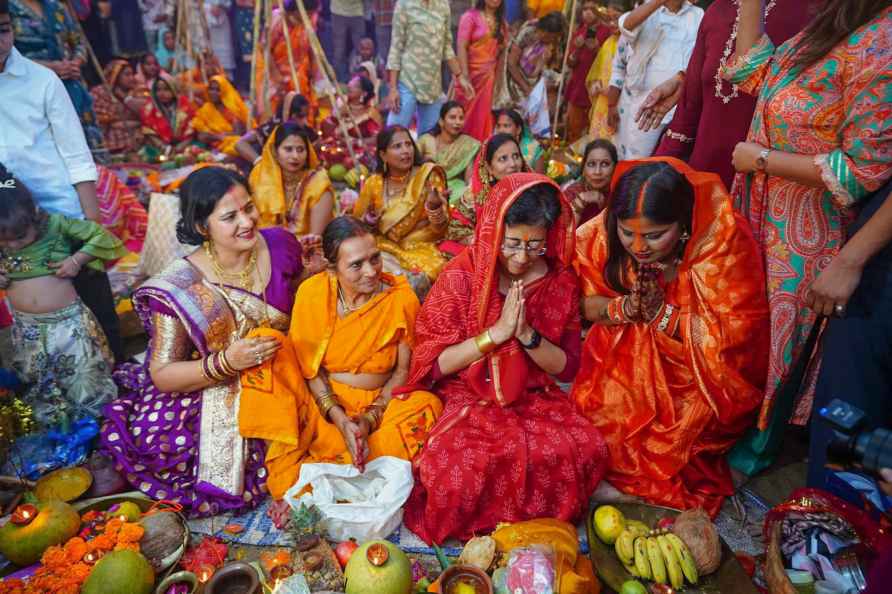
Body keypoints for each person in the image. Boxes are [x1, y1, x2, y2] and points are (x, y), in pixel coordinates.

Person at [725, 0, 892, 476]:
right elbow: (754, 72)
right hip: (761, 210)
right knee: (746, 325)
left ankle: (759, 449)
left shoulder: (880, 45)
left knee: (781, 341)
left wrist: (761, 160)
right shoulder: (828, 30)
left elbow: (863, 169)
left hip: (808, 227)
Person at [402, 174, 609, 544]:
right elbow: (434, 365)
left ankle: (525, 532)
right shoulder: (462, 276)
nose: (520, 257)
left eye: (535, 246)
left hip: (534, 399)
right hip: (468, 395)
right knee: (455, 476)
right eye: (511, 243)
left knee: (585, 448)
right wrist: (495, 335)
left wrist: (526, 335)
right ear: (492, 230)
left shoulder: (558, 281)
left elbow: (567, 367)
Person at [100, 167, 305, 517]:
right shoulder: (179, 285)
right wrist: (227, 362)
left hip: (286, 370)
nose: (247, 221)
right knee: (166, 451)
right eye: (229, 217)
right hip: (212, 383)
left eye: (249, 207)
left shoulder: (281, 244)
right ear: (201, 227)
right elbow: (163, 374)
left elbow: (300, 301)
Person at [571, 159, 769, 515]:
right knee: (599, 430)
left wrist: (662, 315)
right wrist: (625, 309)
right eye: (628, 233)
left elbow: (734, 340)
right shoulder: (605, 229)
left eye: (653, 235)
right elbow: (580, 302)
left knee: (673, 451)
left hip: (698, 374)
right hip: (624, 355)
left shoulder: (722, 242)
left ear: (682, 224)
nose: (638, 247)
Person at [260, 216, 444, 500]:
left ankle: (326, 481)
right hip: (323, 402)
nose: (371, 272)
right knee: (265, 344)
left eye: (375, 258)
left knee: (427, 406)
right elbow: (310, 370)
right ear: (332, 269)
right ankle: (347, 477)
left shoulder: (401, 299)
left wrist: (369, 419)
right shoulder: (313, 293)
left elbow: (402, 372)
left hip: (380, 404)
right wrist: (339, 417)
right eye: (356, 265)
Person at [0, 8, 125, 363]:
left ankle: (119, 395)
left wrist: (90, 224)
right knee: (39, 330)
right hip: (8, 227)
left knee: (100, 315)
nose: (0, 41)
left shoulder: (41, 81)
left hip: (62, 212)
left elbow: (76, 154)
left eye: (4, 30)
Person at [0, 166, 123, 432]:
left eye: (19, 237)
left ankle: (101, 436)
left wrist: (77, 260)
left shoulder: (56, 226)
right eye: (4, 241)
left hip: (69, 327)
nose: (13, 246)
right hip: (27, 329)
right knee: (40, 387)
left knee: (85, 382)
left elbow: (103, 236)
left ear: (33, 215)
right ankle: (61, 438)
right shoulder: (6, 235)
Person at [648, 0, 817, 190]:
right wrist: (655, 176)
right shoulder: (718, 10)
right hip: (703, 180)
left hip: (767, 184)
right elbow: (688, 113)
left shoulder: (816, 12)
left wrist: (763, 161)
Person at [807, 180, 892, 490]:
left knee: (850, 414)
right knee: (849, 418)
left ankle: (836, 516)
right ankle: (836, 515)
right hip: (877, 255)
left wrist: (850, 260)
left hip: (878, 270)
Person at [352, 126, 450, 292]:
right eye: (397, 146)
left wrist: (435, 208)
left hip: (421, 248)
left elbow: (440, 229)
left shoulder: (427, 177)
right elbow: (356, 226)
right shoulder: (374, 183)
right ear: (383, 155)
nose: (406, 151)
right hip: (383, 248)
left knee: (412, 282)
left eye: (408, 144)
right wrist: (369, 221)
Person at [609, 0, 703, 160]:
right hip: (645, 105)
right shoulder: (647, 11)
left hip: (680, 105)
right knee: (636, 161)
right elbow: (626, 26)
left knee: (669, 164)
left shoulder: (698, 15)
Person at [9, 0, 102, 149]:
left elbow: (79, 42)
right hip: (28, 90)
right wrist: (49, 68)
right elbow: (7, 56)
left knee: (84, 147)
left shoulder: (56, 7)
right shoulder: (8, 9)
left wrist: (75, 63)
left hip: (69, 85)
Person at [385, 0, 474, 135]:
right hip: (408, 81)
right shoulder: (404, 4)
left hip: (433, 86)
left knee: (429, 142)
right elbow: (396, 48)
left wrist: (459, 76)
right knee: (394, 135)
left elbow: (446, 47)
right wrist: (393, 88)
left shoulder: (443, 5)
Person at [441, 133, 525, 255]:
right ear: (489, 167)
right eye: (503, 159)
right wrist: (485, 244)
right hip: (487, 251)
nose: (513, 164)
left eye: (516, 156)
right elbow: (456, 229)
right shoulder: (475, 195)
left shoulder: (530, 190)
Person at [250, 123, 335, 235]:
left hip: (307, 248)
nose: (295, 156)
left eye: (300, 150)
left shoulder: (318, 183)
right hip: (263, 245)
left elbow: (315, 238)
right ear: (275, 152)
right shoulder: (259, 176)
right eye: (288, 149)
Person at [454, 0, 508, 142]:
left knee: (482, 119)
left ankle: (480, 157)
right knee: (462, 118)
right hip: (470, 78)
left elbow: (501, 53)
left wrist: (499, 83)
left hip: (488, 79)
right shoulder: (470, 17)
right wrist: (464, 77)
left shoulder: (501, 23)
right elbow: (461, 47)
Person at [255, 0, 318, 120]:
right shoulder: (277, 19)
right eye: (307, 14)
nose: (309, 17)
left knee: (300, 102)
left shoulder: (310, 19)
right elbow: (266, 49)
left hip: (298, 69)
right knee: (274, 105)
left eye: (311, 14)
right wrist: (277, 77)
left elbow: (312, 47)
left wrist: (313, 70)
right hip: (272, 68)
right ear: (295, 11)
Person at [565, 0, 612, 143]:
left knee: (594, 128)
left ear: (599, 10)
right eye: (585, 9)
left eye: (592, 9)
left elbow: (610, 62)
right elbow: (570, 63)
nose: (587, 12)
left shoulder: (608, 32)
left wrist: (597, 49)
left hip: (597, 88)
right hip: (578, 87)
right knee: (573, 128)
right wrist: (577, 49)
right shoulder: (579, 30)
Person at [417, 101, 480, 202]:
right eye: (452, 117)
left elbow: (469, 179)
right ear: (441, 121)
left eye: (461, 118)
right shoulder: (426, 141)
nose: (458, 122)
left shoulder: (468, 144)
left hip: (455, 189)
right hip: (428, 186)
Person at [318, 75, 382, 170]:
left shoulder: (370, 113)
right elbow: (328, 128)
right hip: (342, 148)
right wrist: (338, 115)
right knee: (328, 151)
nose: (349, 86)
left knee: (363, 157)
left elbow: (377, 139)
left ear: (364, 93)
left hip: (361, 150)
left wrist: (356, 142)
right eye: (350, 83)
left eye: (355, 86)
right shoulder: (343, 106)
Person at [505, 11, 564, 113]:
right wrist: (526, 89)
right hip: (513, 82)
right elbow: (511, 63)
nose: (554, 41)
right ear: (545, 33)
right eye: (553, 38)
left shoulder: (548, 44)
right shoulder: (528, 32)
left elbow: (538, 71)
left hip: (531, 82)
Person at [236, 91, 311, 164]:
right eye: (300, 116)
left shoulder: (306, 129)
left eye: (306, 116)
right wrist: (259, 161)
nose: (305, 122)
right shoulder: (272, 127)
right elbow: (240, 143)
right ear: (287, 114)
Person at [91, 59, 147, 156]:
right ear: (115, 75)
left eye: (132, 74)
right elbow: (105, 122)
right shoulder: (100, 92)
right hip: (110, 140)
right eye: (127, 74)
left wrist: (126, 99)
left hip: (138, 138)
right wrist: (136, 122)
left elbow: (146, 114)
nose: (131, 78)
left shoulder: (139, 89)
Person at [584, 3, 622, 142]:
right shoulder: (609, 42)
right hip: (601, 105)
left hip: (619, 108)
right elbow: (598, 73)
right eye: (609, 19)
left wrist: (608, 91)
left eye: (616, 18)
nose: (611, 24)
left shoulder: (630, 44)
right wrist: (594, 86)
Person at [561, 138, 617, 227]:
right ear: (584, 168)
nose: (597, 172)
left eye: (605, 164)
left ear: (615, 167)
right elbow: (564, 236)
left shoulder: (620, 194)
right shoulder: (572, 193)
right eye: (591, 164)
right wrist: (580, 202)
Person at [192, 74, 249, 157]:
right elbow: (202, 136)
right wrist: (219, 137)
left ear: (224, 91)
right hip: (213, 146)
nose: (213, 92)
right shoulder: (205, 109)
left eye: (217, 90)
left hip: (231, 144)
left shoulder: (232, 108)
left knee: (236, 144)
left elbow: (238, 133)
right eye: (211, 89)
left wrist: (216, 136)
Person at [140, 75, 196, 154]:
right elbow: (148, 131)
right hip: (160, 147)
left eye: (166, 89)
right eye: (158, 90)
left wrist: (180, 147)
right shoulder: (149, 108)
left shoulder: (185, 105)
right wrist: (163, 147)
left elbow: (192, 130)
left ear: (174, 90)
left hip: (183, 146)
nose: (162, 93)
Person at [492, 108, 545, 173]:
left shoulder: (533, 147)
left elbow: (540, 178)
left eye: (506, 126)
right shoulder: (493, 146)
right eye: (498, 126)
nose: (501, 130)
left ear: (518, 130)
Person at [331, 0, 364, 82]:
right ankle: (338, 81)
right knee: (339, 51)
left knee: (361, 49)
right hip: (340, 12)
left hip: (354, 12)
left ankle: (361, 80)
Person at [204, 0, 235, 80]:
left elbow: (229, 4)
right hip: (206, 21)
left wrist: (219, 6)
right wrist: (209, 8)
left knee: (225, 55)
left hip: (223, 23)